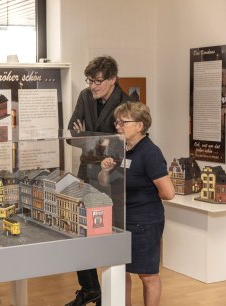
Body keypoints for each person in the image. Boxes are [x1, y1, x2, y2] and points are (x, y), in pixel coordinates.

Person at [65, 55, 130, 306]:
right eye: (90, 80)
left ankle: (112, 296)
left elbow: (120, 145)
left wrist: (88, 138)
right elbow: (72, 135)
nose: (92, 86)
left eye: (98, 81)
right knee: (80, 231)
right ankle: (91, 289)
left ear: (113, 79)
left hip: (113, 178)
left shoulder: (126, 103)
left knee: (108, 235)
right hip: (86, 173)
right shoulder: (84, 96)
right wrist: (98, 140)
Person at [98, 102, 175, 306]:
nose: (118, 126)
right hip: (121, 219)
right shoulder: (118, 147)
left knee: (147, 275)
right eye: (117, 121)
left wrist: (143, 196)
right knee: (121, 270)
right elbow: (104, 182)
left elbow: (168, 193)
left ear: (140, 126)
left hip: (145, 223)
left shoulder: (150, 153)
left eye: (123, 122)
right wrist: (104, 170)